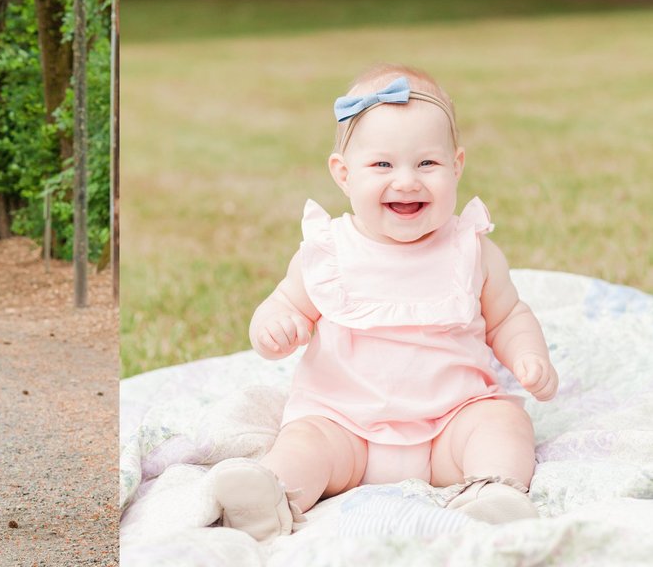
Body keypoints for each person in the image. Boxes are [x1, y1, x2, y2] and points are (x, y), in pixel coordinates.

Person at [210, 64, 559, 541]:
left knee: (503, 421)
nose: (407, 181)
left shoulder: (471, 248)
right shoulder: (328, 251)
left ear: (456, 166)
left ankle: (494, 493)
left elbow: (508, 316)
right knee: (305, 442)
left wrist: (527, 355)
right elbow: (284, 302)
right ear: (343, 173)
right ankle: (271, 494)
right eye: (382, 165)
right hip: (345, 424)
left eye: (426, 164)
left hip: (450, 423)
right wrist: (274, 326)